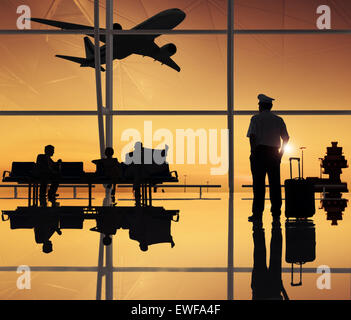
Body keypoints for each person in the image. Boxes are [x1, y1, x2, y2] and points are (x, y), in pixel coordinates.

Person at [247, 94, 289, 222]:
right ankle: (276, 212)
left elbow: (252, 137)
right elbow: (286, 138)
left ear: (261, 105)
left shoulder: (255, 119)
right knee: (275, 185)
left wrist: (253, 152)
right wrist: (280, 154)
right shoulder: (278, 120)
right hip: (273, 154)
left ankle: (257, 214)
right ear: (270, 106)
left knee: (258, 185)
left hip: (259, 153)